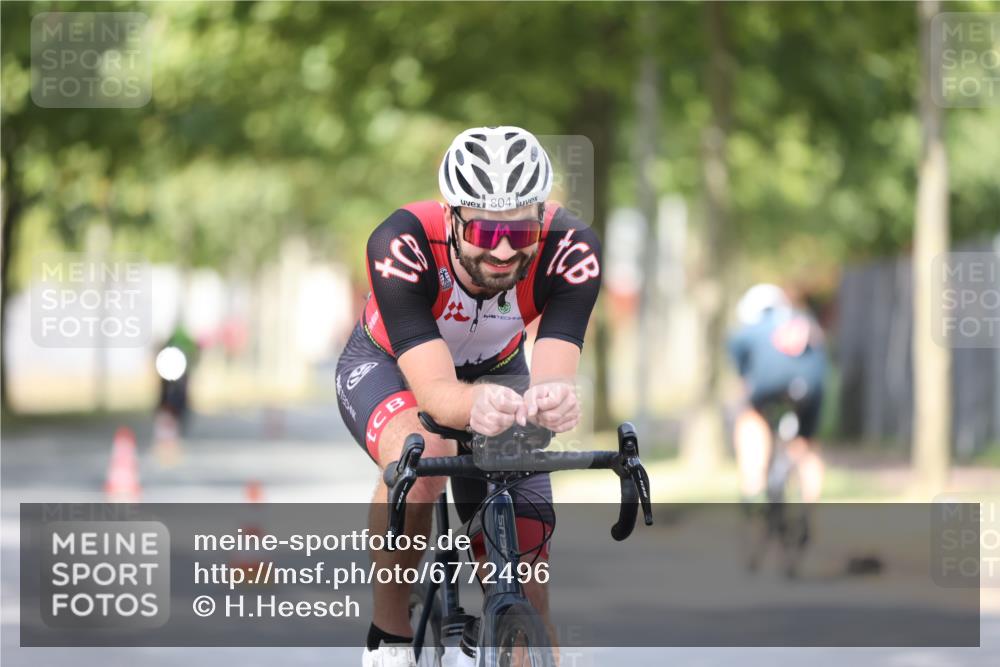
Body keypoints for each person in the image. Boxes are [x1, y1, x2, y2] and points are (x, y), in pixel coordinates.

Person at [334, 126, 602, 667]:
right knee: (424, 456)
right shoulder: (401, 242)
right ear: (452, 216)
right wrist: (474, 406)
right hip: (392, 368)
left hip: (498, 369)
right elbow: (435, 394)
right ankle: (389, 635)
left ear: (541, 218)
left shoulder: (571, 249)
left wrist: (553, 402)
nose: (503, 249)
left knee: (531, 586)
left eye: (521, 231)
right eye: (484, 228)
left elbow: (551, 377)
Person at [727, 284, 827, 510]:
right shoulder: (803, 321)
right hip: (811, 387)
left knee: (750, 418)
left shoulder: (750, 330)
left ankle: (753, 486)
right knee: (807, 444)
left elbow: (742, 372)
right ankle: (811, 505)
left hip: (769, 387)